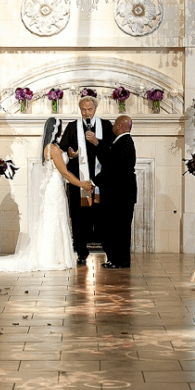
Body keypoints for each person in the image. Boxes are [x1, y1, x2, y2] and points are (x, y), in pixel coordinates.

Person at [1, 118, 94, 272]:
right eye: (61, 129)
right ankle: (52, 257)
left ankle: (55, 255)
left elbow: (60, 163)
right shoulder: (54, 149)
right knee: (55, 219)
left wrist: (71, 155)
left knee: (53, 219)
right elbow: (64, 172)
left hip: (54, 186)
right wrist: (82, 184)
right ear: (56, 130)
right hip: (55, 187)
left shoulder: (49, 148)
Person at [58, 96, 115, 264]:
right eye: (83, 109)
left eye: (89, 109)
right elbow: (62, 150)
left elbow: (112, 149)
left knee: (102, 215)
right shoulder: (72, 127)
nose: (86, 112)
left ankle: (108, 250)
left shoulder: (105, 125)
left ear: (95, 109)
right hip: (79, 181)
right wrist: (70, 154)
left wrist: (98, 142)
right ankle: (81, 252)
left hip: (100, 181)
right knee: (80, 216)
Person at [95, 115, 138, 269]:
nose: (113, 126)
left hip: (120, 195)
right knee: (116, 228)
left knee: (119, 229)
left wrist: (94, 181)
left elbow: (112, 166)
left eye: (115, 124)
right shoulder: (121, 142)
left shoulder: (125, 142)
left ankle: (120, 260)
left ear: (120, 125)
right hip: (120, 194)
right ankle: (116, 259)